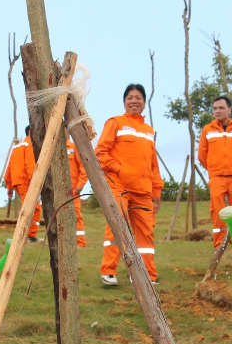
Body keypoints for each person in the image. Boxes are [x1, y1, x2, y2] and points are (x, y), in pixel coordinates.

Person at [95, 84, 162, 286]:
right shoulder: (115, 123)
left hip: (143, 190)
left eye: (138, 97)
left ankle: (147, 275)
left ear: (144, 102)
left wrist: (156, 190)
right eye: (130, 97)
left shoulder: (149, 131)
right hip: (119, 186)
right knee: (117, 225)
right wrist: (119, 169)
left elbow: (153, 164)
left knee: (146, 234)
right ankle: (109, 271)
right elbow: (100, 153)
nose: (134, 101)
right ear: (124, 101)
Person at [198, 96, 232, 247]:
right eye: (215, 108)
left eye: (221, 108)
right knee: (217, 211)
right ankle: (219, 245)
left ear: (229, 109)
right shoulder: (207, 130)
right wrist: (214, 169)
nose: (217, 111)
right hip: (216, 178)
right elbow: (202, 155)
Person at [2, 126, 43, 243]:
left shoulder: (17, 147)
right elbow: (30, 164)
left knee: (30, 207)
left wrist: (9, 186)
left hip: (18, 182)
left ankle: (28, 235)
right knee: (31, 208)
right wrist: (36, 182)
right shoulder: (29, 144)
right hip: (26, 181)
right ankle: (26, 235)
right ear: (31, 132)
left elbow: (9, 167)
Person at [66, 137, 88, 247]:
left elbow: (84, 167)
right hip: (59, 190)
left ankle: (80, 242)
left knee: (76, 215)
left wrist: (80, 185)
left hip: (73, 189)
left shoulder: (73, 147)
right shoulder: (54, 149)